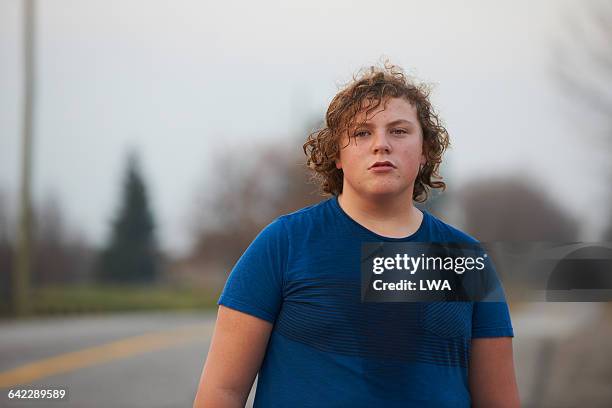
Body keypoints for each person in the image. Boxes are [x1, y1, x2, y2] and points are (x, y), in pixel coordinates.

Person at [193, 63, 520, 407]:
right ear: (337, 154)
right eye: (362, 133)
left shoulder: (463, 261)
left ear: (425, 151)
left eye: (399, 131)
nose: (381, 145)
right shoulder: (285, 245)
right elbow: (222, 392)